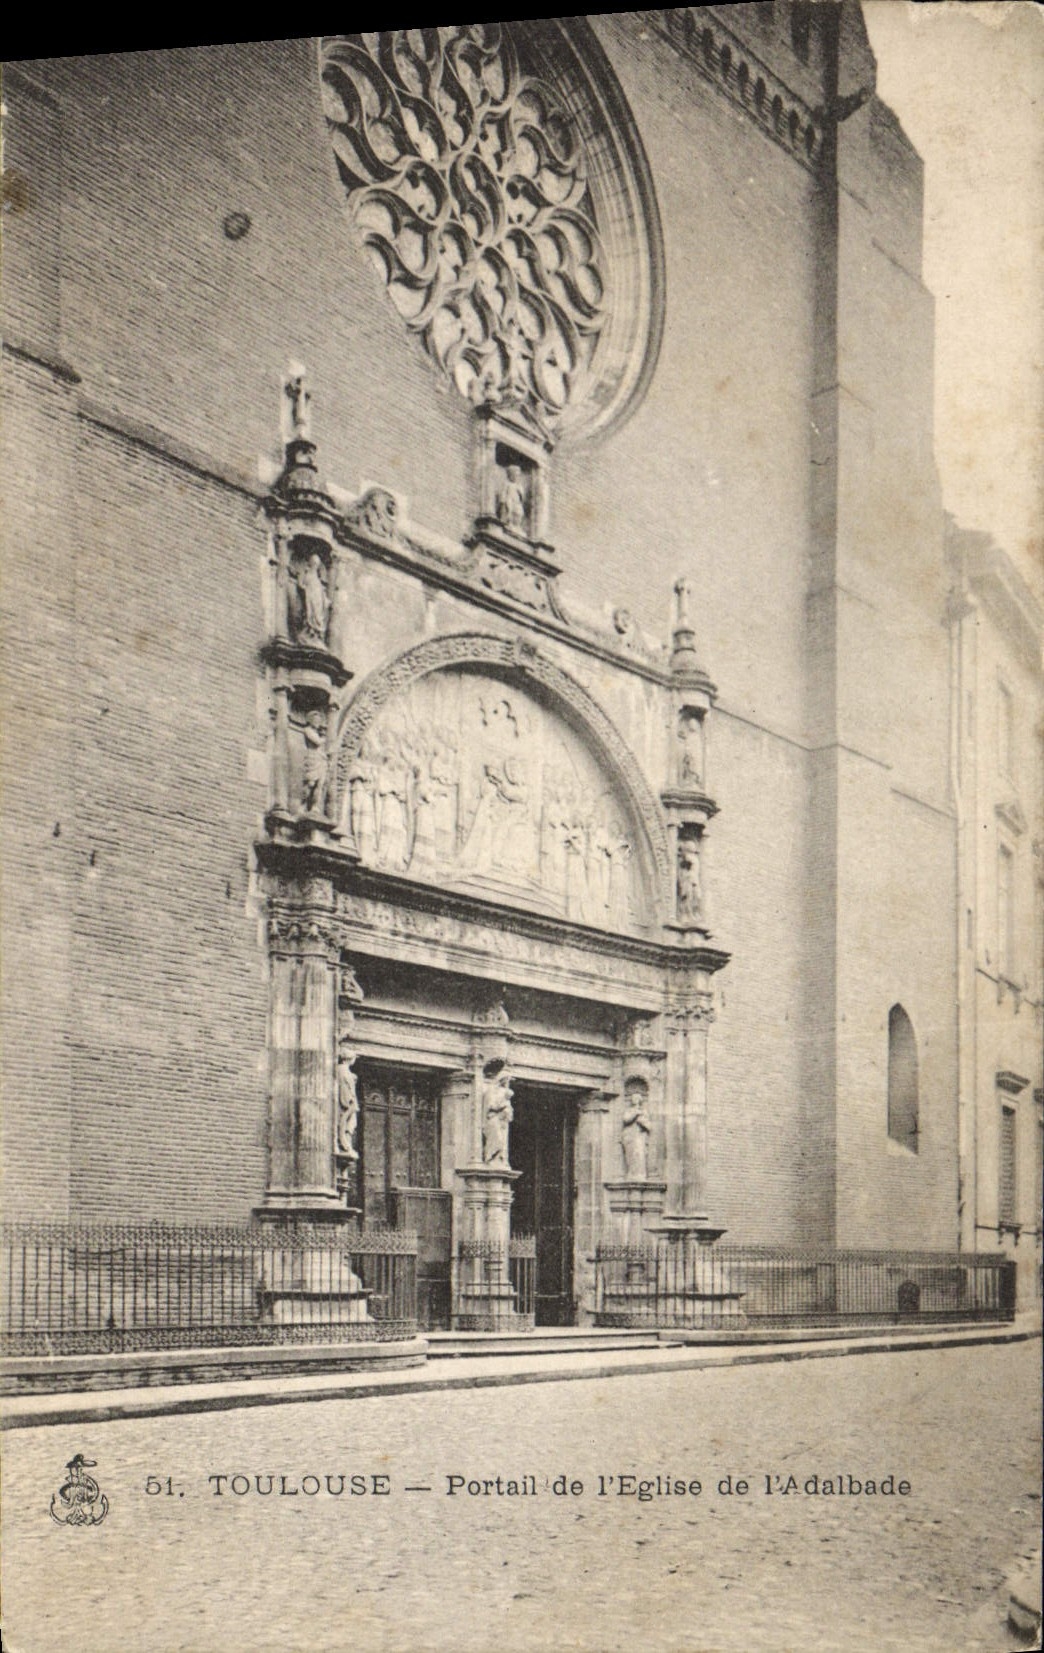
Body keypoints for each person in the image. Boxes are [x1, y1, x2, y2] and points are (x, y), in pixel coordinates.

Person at [481, 1061, 514, 1165]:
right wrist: (502, 1106)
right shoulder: (492, 1091)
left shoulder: (504, 1093)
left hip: (501, 1121)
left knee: (501, 1142)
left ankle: (498, 1160)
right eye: (506, 1080)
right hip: (493, 1119)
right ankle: (490, 1159)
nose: (507, 1083)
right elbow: (490, 1106)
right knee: (497, 1140)